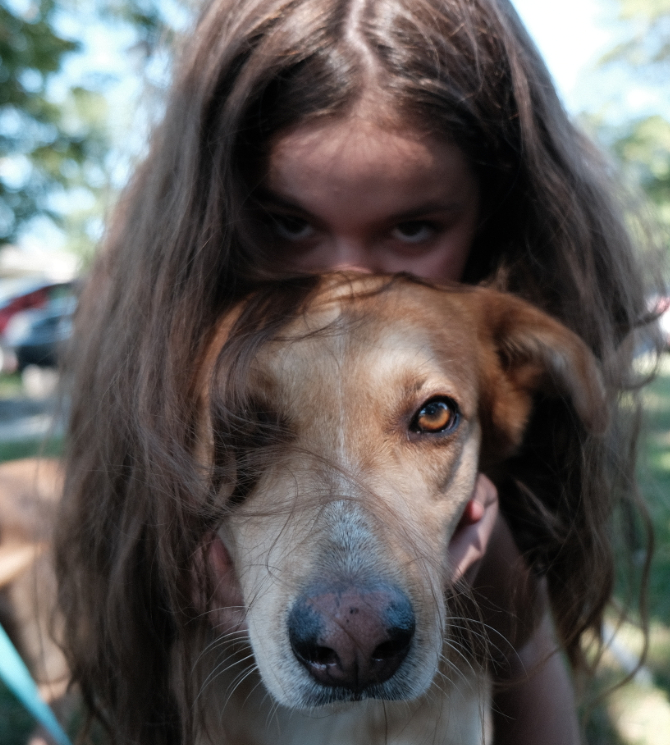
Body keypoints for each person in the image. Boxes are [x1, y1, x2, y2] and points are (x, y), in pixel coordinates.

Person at [54, 1, 655, 743]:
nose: (347, 283)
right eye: (289, 222)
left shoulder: (492, 343)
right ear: (212, 214)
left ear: (493, 215)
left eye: (412, 227)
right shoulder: (166, 350)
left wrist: (507, 591)